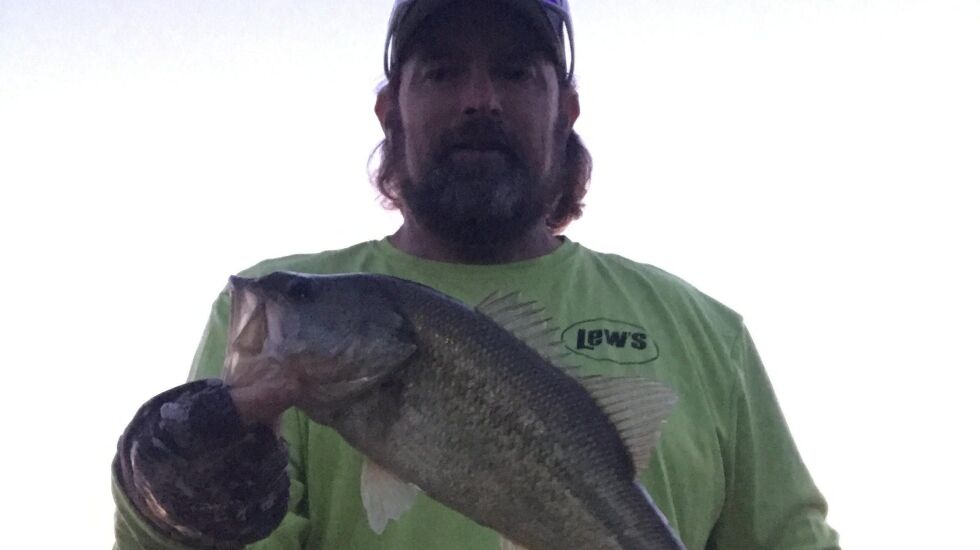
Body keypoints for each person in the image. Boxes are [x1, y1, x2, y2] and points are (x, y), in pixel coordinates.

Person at [112, 0, 840, 548]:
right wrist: (172, 494)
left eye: (516, 72)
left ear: (566, 112)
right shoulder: (262, 329)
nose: (479, 98)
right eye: (442, 71)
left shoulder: (709, 334)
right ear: (389, 111)